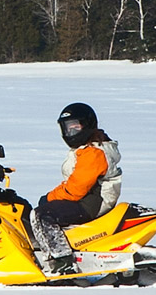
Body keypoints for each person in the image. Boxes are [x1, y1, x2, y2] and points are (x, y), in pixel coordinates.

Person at [30, 103, 122, 275]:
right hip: (88, 198)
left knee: (42, 215)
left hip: (93, 202)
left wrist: (49, 198)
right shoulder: (88, 149)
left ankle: (62, 262)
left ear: (87, 126)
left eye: (75, 128)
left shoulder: (93, 153)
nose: (70, 133)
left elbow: (76, 189)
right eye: (67, 129)